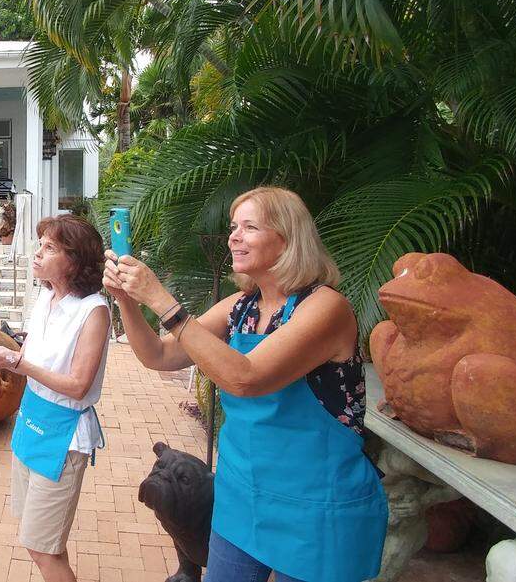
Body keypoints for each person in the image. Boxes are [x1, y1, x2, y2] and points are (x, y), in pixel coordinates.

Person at [103, 186, 386, 582]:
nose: (233, 235)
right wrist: (127, 300)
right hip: (242, 497)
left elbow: (245, 377)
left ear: (288, 240)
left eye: (249, 227)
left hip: (315, 507)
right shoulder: (242, 306)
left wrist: (163, 301)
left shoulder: (325, 307)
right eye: (234, 226)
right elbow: (160, 356)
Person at [0, 214, 110, 582]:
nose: (37, 254)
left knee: (40, 546)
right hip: (31, 422)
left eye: (49, 248)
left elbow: (78, 385)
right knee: (46, 541)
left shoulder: (94, 311)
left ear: (75, 261)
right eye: (40, 245)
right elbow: (34, 354)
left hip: (63, 437)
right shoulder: (46, 297)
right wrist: (4, 348)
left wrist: (20, 364)